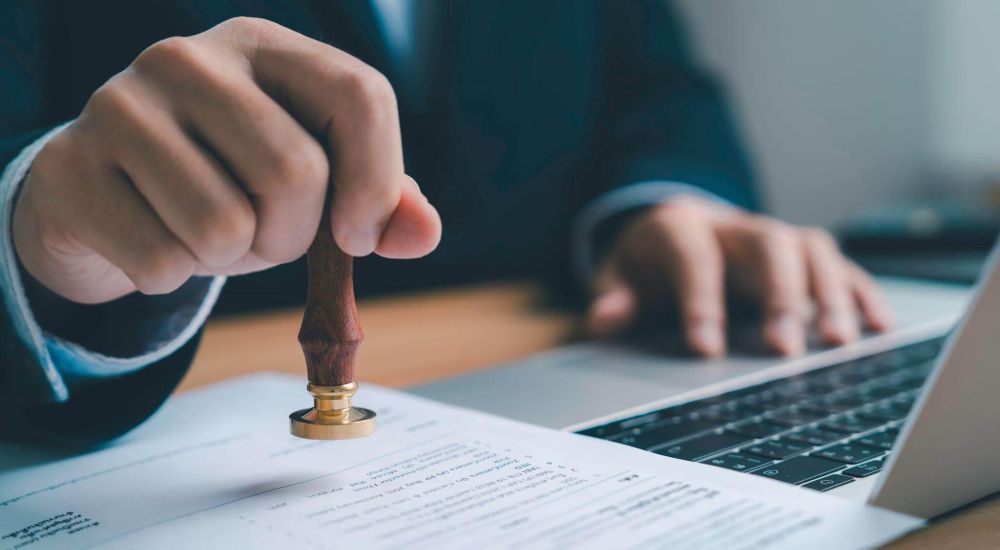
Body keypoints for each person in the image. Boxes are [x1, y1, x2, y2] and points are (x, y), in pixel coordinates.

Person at [0, 0, 892, 445]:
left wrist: (664, 203)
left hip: (572, 355)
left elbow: (658, 85)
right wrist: (34, 229)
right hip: (160, 400)